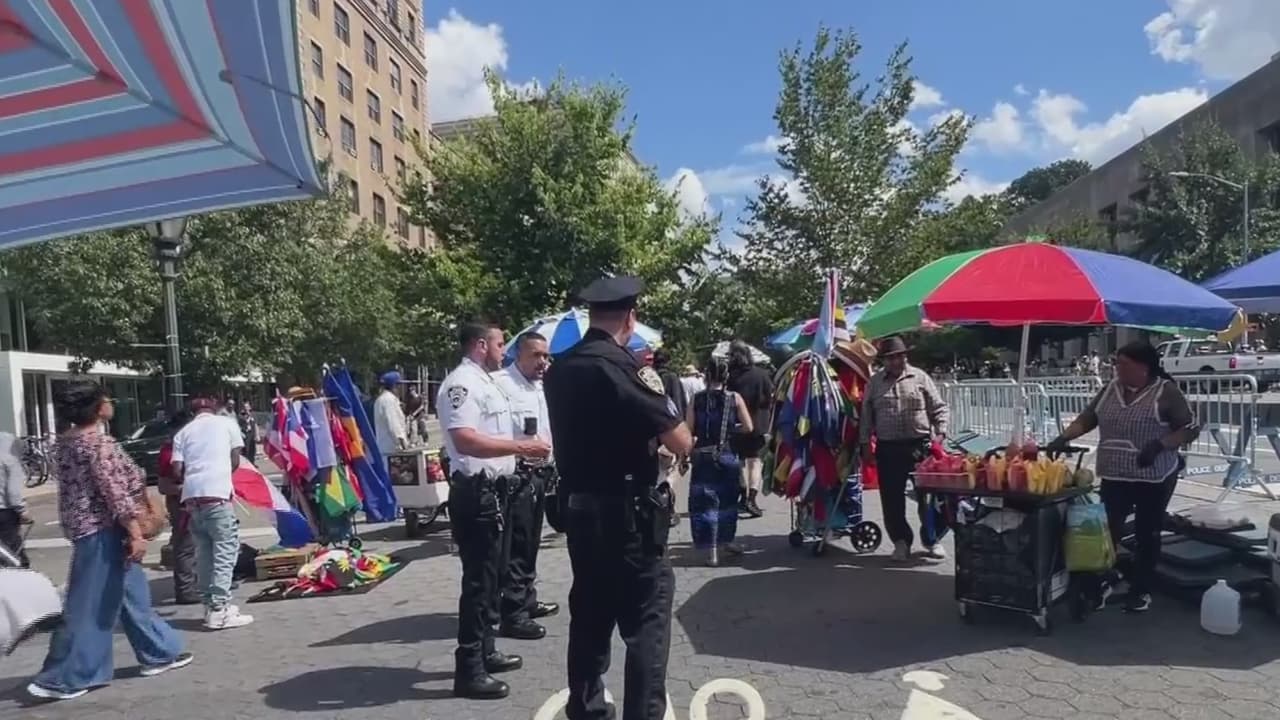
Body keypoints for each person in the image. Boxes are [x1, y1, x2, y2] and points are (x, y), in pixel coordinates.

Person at [544, 276, 693, 720]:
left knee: (589, 618)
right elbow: (681, 440)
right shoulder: (626, 368)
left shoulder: (560, 370)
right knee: (645, 626)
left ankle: (587, 710)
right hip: (628, 518)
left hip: (580, 511)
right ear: (631, 317)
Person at [26, 381, 191, 701]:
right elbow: (113, 492)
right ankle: (69, 675)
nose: (111, 402)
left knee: (132, 594)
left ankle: (159, 651)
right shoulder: (98, 445)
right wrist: (134, 532)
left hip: (86, 527)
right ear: (97, 407)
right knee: (91, 606)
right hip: (103, 531)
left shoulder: (65, 444)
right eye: (107, 399)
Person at [438, 323, 551, 700]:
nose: (504, 350)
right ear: (481, 344)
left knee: (494, 577)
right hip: (476, 491)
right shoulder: (462, 384)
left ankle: (486, 650)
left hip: (497, 491)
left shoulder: (486, 382)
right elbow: (465, 439)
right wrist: (519, 448)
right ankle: (468, 668)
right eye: (502, 343)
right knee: (479, 582)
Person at [1046, 341, 1198, 613]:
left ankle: (1141, 589)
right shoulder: (1110, 390)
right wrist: (1063, 437)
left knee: (1146, 532)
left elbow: (1189, 428)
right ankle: (1103, 579)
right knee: (1107, 530)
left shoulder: (1166, 393)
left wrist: (1160, 445)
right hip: (1115, 474)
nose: (1117, 369)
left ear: (1143, 367)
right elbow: (1089, 417)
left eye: (1123, 364)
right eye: (1116, 363)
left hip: (1154, 475)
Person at [492, 331, 560, 641]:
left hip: (540, 475)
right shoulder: (501, 385)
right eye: (536, 355)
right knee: (516, 546)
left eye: (546, 356)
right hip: (515, 477)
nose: (543, 362)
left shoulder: (542, 387)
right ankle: (513, 613)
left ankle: (527, 599)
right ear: (518, 355)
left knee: (531, 542)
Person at [860, 336, 950, 562]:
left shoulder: (920, 377)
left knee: (929, 498)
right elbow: (866, 417)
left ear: (905, 356)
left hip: (919, 446)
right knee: (892, 500)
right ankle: (901, 542)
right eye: (890, 358)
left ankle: (932, 539)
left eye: (898, 356)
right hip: (888, 448)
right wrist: (865, 446)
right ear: (884, 360)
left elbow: (939, 408)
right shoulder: (875, 383)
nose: (894, 361)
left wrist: (940, 434)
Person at [171, 397, 253, 630]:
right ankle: (220, 609)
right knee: (225, 552)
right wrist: (221, 472)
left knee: (204, 553)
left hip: (192, 497)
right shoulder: (227, 424)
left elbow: (177, 470)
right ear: (215, 409)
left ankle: (209, 606)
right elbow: (235, 457)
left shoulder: (183, 433)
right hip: (217, 494)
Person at [686, 357, 753, 567]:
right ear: (726, 377)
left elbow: (688, 429)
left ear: (706, 376)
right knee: (727, 501)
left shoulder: (696, 399)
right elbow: (749, 427)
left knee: (706, 504)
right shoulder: (735, 398)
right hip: (727, 454)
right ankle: (727, 542)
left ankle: (711, 553)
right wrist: (732, 428)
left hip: (702, 455)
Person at [726, 341, 772, 518]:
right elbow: (769, 398)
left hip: (737, 424)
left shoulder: (731, 376)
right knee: (755, 462)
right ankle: (751, 498)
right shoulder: (762, 374)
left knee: (739, 462)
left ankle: (742, 494)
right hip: (759, 423)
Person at [157, 411, 199, 605]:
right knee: (185, 546)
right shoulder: (170, 451)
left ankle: (197, 584)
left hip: (197, 501)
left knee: (198, 546)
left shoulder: (189, 447)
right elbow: (164, 486)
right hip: (182, 506)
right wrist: (190, 488)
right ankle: (185, 590)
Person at [652, 349, 688, 510]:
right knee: (672, 467)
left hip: (652, 430)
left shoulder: (648, 377)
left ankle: (658, 498)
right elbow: (678, 404)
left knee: (658, 467)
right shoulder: (672, 378)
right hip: (669, 428)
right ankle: (666, 499)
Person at [0, 432, 30, 568]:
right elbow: (13, 491)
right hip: (4, 511)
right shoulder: (10, 453)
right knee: (13, 558)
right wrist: (22, 509)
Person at [373, 370, 409, 466]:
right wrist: (402, 443)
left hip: (385, 448)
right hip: (392, 450)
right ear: (395, 386)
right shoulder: (389, 400)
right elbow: (393, 425)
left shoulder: (381, 399)